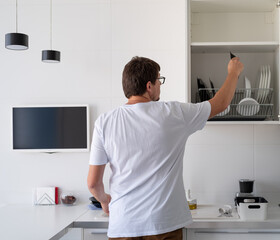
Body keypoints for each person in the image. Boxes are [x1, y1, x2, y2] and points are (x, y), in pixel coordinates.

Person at [87, 56, 244, 240]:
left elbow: (92, 184)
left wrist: (105, 201)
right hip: (163, 225)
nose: (160, 85)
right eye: (159, 80)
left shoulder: (105, 122)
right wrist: (233, 73)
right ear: (149, 86)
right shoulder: (174, 114)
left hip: (124, 225)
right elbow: (221, 103)